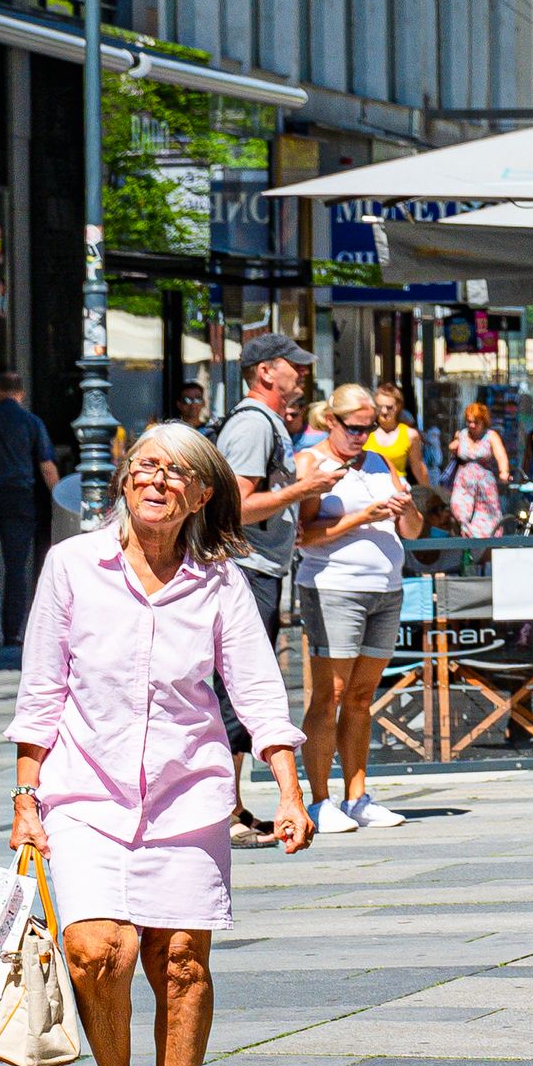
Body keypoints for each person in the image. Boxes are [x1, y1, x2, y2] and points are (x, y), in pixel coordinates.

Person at [9, 422, 319, 1066]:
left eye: (176, 470)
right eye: (145, 464)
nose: (157, 478)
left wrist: (288, 787)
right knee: (96, 950)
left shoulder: (219, 583)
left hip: (188, 796)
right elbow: (42, 686)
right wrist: (25, 793)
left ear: (203, 494)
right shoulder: (72, 566)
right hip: (83, 790)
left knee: (179, 960)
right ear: (123, 479)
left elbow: (256, 689)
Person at [211, 336, 344, 847]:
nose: (303, 375)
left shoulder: (266, 424)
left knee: (242, 691)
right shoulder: (251, 424)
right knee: (235, 692)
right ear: (266, 372)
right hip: (246, 568)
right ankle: (225, 810)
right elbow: (236, 507)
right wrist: (303, 491)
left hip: (257, 568)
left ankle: (233, 805)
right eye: (295, 366)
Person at [289, 383, 419, 834]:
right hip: (333, 587)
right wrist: (362, 517)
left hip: (386, 587)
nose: (363, 436)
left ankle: (357, 795)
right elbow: (303, 535)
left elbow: (415, 530)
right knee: (332, 696)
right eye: (355, 428)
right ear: (331, 421)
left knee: (363, 697)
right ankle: (320, 799)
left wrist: (405, 507)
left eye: (370, 427)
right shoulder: (311, 463)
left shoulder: (381, 462)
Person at [0, 372, 61, 646]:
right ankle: (12, 631)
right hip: (19, 499)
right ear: (22, 393)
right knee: (16, 567)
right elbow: (46, 466)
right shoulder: (32, 422)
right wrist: (59, 498)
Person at [442, 397, 516, 540]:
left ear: (484, 422)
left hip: (484, 482)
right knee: (460, 511)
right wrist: (453, 447)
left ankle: (486, 543)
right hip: (464, 481)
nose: (472, 425)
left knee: (487, 512)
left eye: (476, 422)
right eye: (469, 421)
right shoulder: (462, 434)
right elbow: (453, 447)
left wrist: (504, 472)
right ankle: (466, 539)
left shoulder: (491, 436)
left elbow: (500, 455)